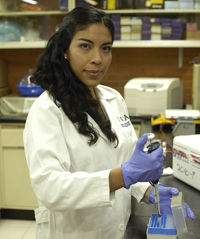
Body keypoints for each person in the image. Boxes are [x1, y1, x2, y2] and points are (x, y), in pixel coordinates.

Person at [23, 7, 194, 239]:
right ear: (65, 50)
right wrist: (124, 175)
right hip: (73, 232)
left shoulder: (113, 99)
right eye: (85, 46)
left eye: (106, 48)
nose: (98, 59)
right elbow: (51, 189)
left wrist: (147, 191)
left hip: (117, 229)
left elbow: (127, 165)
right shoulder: (47, 110)